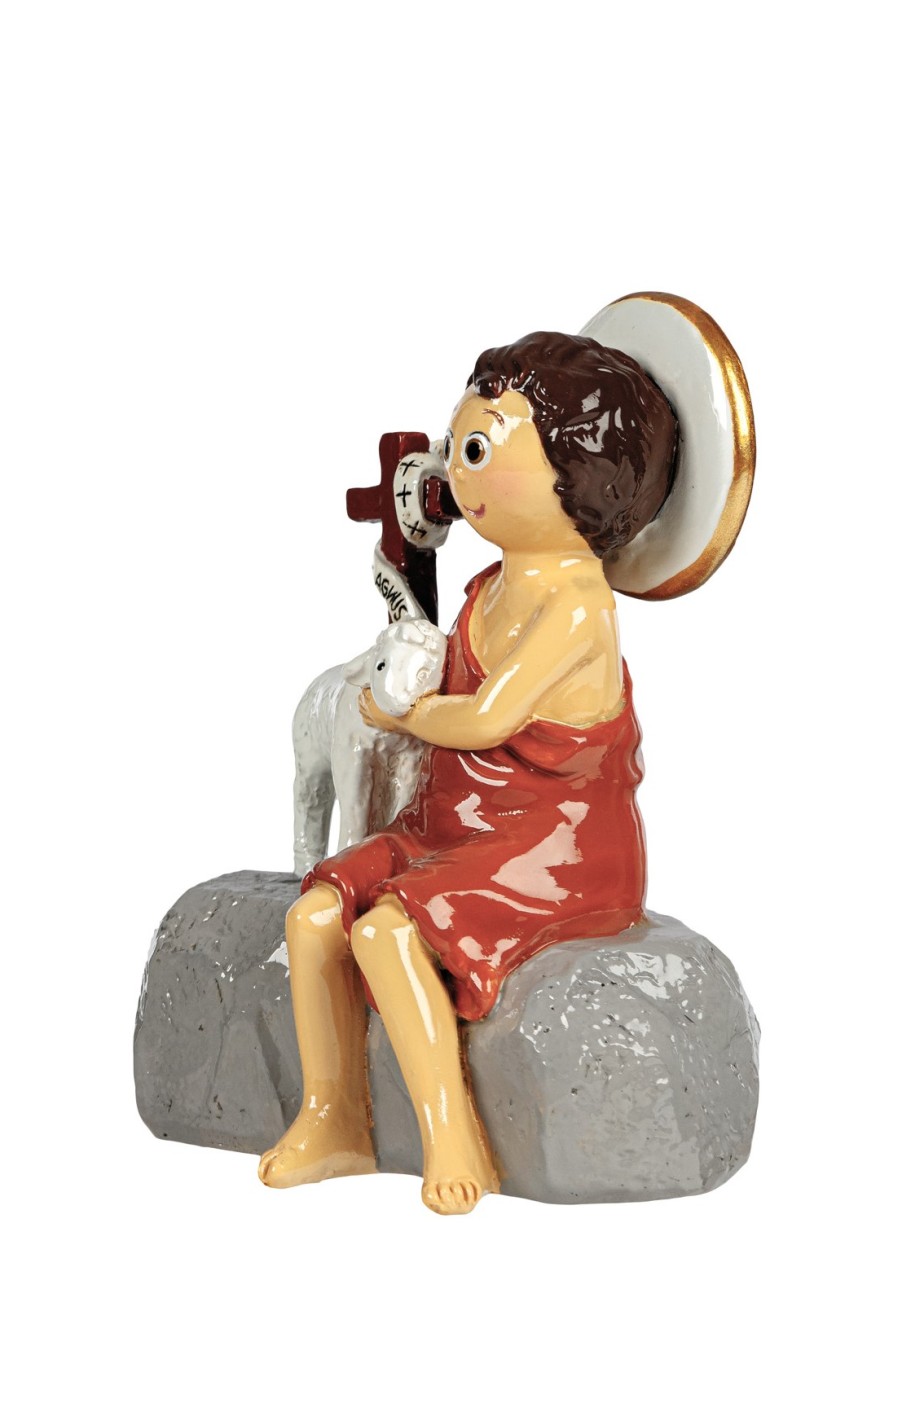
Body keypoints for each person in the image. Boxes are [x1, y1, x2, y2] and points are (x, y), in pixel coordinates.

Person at [259, 332, 678, 1213]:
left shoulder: (579, 606)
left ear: (579, 478)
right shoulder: (488, 588)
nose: (454, 470)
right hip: (454, 827)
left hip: (556, 848)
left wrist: (397, 714)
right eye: (459, 445)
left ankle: (453, 1137)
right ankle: (335, 1117)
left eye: (479, 450)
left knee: (387, 934)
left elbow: (487, 718)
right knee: (316, 915)